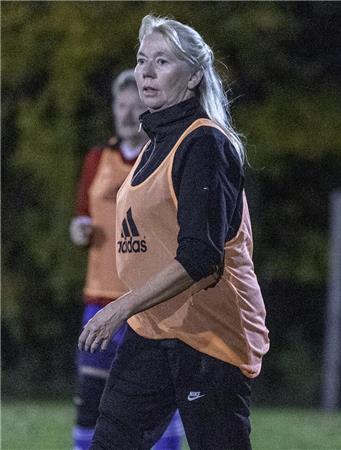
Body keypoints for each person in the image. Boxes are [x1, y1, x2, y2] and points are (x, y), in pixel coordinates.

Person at [78, 14, 269, 450]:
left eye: (162, 61)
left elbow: (201, 257)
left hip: (210, 333)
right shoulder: (154, 144)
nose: (146, 71)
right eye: (142, 60)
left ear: (194, 76)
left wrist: (120, 306)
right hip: (154, 327)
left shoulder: (204, 142)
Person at [70, 69, 184, 450]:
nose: (126, 113)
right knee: (91, 399)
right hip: (100, 299)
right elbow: (81, 219)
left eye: (134, 105)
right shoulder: (97, 159)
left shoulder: (162, 155)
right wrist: (80, 231)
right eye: (120, 105)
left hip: (150, 301)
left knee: (156, 403)